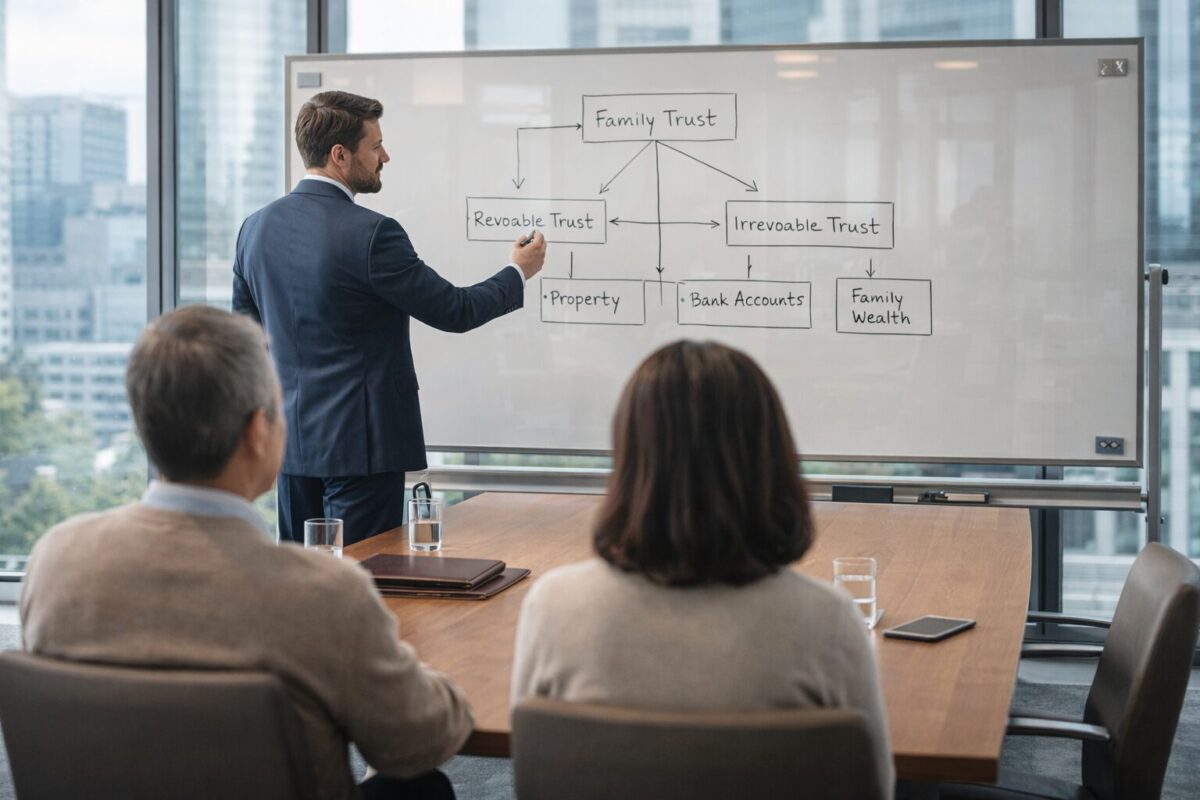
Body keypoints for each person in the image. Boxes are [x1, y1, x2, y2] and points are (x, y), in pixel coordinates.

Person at [21, 306, 471, 800]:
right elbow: (420, 742)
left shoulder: (55, 562)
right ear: (259, 430)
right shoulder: (323, 593)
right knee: (422, 788)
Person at [510, 340, 894, 798]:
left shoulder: (554, 607)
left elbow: (536, 771)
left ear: (631, 456)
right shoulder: (827, 619)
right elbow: (875, 789)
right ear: (769, 456)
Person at [233, 90, 546, 546]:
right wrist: (519, 272)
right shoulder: (372, 234)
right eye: (375, 145)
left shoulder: (254, 229)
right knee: (367, 583)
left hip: (291, 447)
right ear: (340, 155)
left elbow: (246, 342)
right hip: (364, 450)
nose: (385, 156)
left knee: (298, 586)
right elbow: (455, 310)